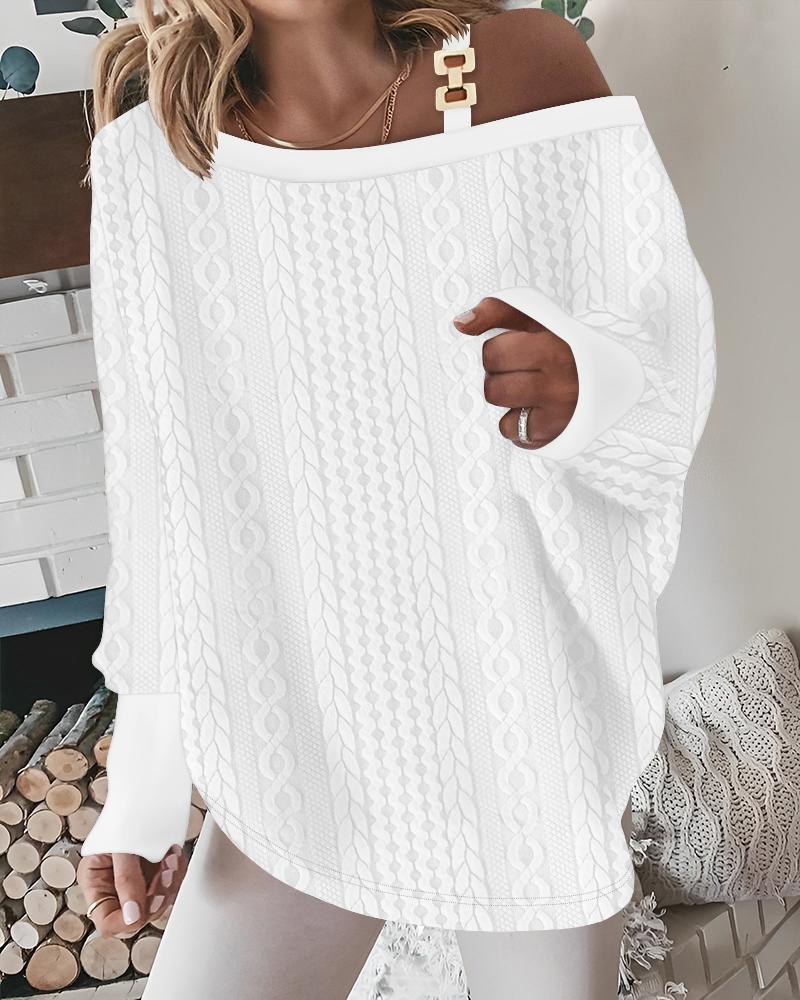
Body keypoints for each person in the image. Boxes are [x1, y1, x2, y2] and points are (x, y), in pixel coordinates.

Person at [76, 3, 716, 998]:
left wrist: (589, 379)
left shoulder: (513, 66)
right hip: (303, 741)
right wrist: (146, 784)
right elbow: (159, 496)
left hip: (521, 721)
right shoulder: (152, 154)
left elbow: (665, 350)